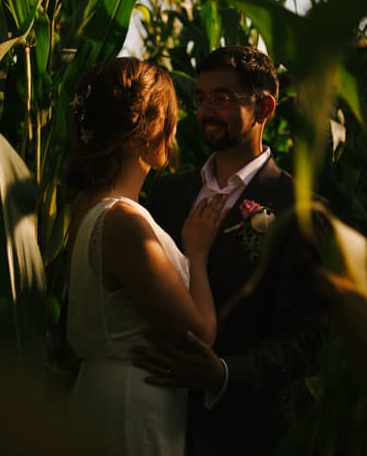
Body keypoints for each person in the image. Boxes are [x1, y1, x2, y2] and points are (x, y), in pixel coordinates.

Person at [135, 46, 324, 455]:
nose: (206, 111)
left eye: (222, 98)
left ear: (264, 108)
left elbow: (304, 337)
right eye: (201, 98)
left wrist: (222, 375)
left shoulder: (297, 207)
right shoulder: (169, 192)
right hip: (153, 416)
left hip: (243, 433)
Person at [65, 57, 226, 456]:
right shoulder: (125, 223)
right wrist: (197, 254)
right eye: (169, 120)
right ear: (144, 131)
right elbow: (199, 334)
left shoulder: (87, 206)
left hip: (103, 395)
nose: (174, 132)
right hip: (129, 411)